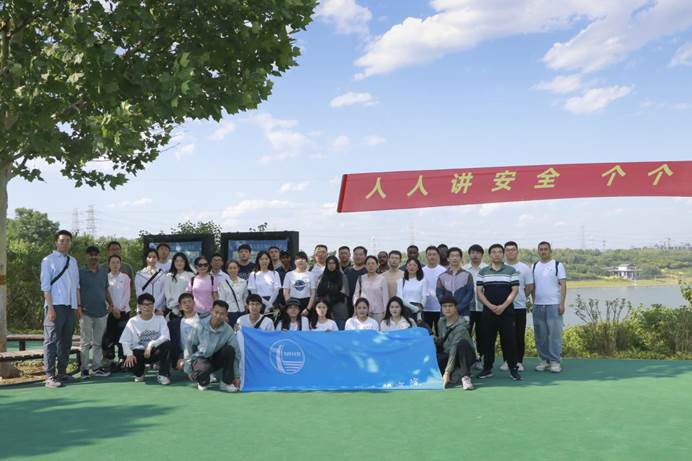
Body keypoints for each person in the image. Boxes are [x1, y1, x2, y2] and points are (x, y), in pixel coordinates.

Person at [40, 230, 80, 388]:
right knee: (51, 340)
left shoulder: (73, 261)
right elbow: (45, 286)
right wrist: (50, 308)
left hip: (70, 306)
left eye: (68, 240)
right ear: (56, 242)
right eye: (62, 240)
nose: (65, 243)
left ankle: (62, 372)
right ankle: (49, 375)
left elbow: (76, 285)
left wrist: (78, 306)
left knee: (66, 340)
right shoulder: (48, 260)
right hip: (55, 305)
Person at [476, 244, 521, 381]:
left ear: (503, 254)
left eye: (499, 252)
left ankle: (513, 369)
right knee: (488, 341)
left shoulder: (511, 270)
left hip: (506, 312)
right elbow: (479, 292)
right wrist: (490, 306)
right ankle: (487, 369)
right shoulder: (483, 272)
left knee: (509, 341)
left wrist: (503, 306)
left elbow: (515, 290)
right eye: (494, 252)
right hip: (488, 312)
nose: (496, 254)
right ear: (490, 255)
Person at [185, 300, 241, 392]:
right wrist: (188, 369)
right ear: (211, 311)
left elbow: (236, 353)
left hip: (216, 359)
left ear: (226, 314)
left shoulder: (228, 330)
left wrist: (237, 376)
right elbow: (189, 346)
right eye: (216, 312)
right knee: (203, 373)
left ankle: (226, 383)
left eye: (222, 314)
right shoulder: (199, 325)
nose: (218, 316)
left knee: (229, 350)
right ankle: (203, 381)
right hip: (200, 359)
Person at [119, 293, 171, 385]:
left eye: (150, 304)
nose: (147, 307)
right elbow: (125, 340)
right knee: (132, 359)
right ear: (139, 306)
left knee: (167, 345)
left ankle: (163, 375)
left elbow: (166, 337)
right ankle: (139, 373)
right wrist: (129, 354)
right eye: (144, 305)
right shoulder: (133, 321)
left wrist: (151, 344)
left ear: (153, 306)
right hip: (139, 353)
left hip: (154, 351)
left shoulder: (160, 319)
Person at [531, 241, 567, 373]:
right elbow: (532, 286)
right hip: (538, 305)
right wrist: (534, 302)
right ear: (538, 251)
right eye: (541, 249)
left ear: (550, 251)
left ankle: (555, 361)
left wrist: (561, 303)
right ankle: (544, 360)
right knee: (540, 334)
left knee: (554, 334)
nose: (543, 251)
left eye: (545, 249)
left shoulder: (557, 265)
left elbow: (563, 285)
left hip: (554, 304)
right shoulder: (534, 266)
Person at [78, 246, 112, 379]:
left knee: (98, 343)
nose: (93, 257)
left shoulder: (103, 271)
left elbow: (105, 289)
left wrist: (111, 304)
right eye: (91, 255)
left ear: (99, 257)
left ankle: (96, 368)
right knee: (85, 343)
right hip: (85, 312)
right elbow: (77, 290)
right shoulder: (80, 272)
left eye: (96, 255)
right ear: (86, 256)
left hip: (101, 312)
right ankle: (84, 369)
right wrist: (79, 307)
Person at [502, 241, 534, 371]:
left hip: (519, 307)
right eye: (508, 250)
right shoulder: (501, 267)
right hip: (503, 308)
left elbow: (529, 286)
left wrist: (520, 297)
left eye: (513, 249)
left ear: (517, 251)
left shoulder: (524, 268)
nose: (510, 252)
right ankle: (507, 360)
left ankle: (519, 361)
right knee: (505, 335)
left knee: (519, 335)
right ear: (504, 252)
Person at [437, 296, 476, 390]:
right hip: (448, 353)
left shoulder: (461, 326)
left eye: (450, 306)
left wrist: (447, 372)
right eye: (444, 306)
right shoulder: (441, 322)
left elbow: (454, 349)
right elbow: (442, 342)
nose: (447, 308)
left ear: (455, 308)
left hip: (464, 355)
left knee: (462, 344)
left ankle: (465, 377)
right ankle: (455, 372)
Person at [103, 254, 131, 370]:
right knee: (109, 336)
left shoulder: (125, 277)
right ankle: (110, 360)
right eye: (113, 262)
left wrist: (119, 309)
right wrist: (112, 308)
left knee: (123, 337)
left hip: (123, 312)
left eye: (117, 262)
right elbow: (104, 294)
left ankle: (123, 359)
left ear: (120, 264)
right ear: (109, 264)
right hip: (109, 312)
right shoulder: (105, 277)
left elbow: (127, 294)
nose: (115, 265)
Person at [463, 243, 488, 369]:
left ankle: (480, 359)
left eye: (478, 252)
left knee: (482, 335)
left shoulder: (487, 269)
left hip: (484, 307)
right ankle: (467, 359)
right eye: (473, 252)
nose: (475, 255)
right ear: (469, 254)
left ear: (482, 255)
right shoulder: (464, 270)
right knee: (466, 334)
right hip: (468, 308)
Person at [436, 247, 475, 320]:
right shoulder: (441, 276)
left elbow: (470, 294)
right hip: (445, 313)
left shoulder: (468, 275)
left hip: (463, 313)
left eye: (457, 256)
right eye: (452, 256)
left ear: (460, 258)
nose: (455, 258)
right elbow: (439, 294)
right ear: (448, 259)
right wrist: (448, 308)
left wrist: (457, 309)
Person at [168, 293, 199, 373]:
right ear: (180, 307)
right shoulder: (174, 324)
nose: (187, 304)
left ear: (194, 303)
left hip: (199, 354)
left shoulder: (203, 320)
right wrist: (180, 358)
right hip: (182, 355)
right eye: (184, 302)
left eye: (189, 301)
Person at [315, 255, 349, 330]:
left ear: (337, 264)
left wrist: (329, 302)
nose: (331, 265)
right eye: (329, 263)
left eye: (333, 263)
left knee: (339, 333)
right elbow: (318, 293)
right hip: (325, 310)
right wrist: (326, 304)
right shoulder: (323, 277)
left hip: (339, 309)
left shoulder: (342, 277)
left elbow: (344, 293)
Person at [352, 255, 389, 323]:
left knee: (377, 329)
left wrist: (385, 312)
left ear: (377, 265)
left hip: (378, 312)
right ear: (365, 266)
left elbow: (385, 297)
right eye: (368, 264)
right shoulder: (361, 278)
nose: (371, 266)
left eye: (373, 263)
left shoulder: (382, 279)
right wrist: (355, 308)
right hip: (363, 311)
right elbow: (356, 295)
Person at [422, 246, 447, 333]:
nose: (432, 257)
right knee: (426, 334)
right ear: (426, 256)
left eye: (434, 254)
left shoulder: (443, 270)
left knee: (441, 334)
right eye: (429, 255)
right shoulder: (421, 271)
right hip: (424, 308)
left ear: (438, 256)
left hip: (440, 309)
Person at [163, 252, 194, 318]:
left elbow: (192, 292)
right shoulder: (169, 276)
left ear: (185, 262)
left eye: (181, 261)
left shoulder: (190, 275)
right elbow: (167, 292)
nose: (179, 263)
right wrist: (174, 304)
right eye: (177, 261)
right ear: (173, 263)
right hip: (172, 308)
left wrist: (184, 304)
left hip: (187, 308)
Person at [217, 260, 248, 326]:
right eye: (230, 268)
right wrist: (224, 315)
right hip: (230, 312)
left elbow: (245, 297)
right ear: (227, 270)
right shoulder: (223, 284)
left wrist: (246, 309)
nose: (233, 270)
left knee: (241, 329)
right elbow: (222, 300)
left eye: (234, 268)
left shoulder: (243, 282)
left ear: (238, 268)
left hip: (242, 311)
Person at [135, 249, 166, 314]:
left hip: (158, 309)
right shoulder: (139, 274)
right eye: (149, 257)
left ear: (157, 258)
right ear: (146, 259)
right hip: (143, 308)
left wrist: (154, 306)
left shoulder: (162, 274)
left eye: (154, 257)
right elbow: (139, 292)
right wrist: (146, 305)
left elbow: (163, 293)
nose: (152, 259)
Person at [344, 246, 367, 318]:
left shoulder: (368, 270)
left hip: (364, 306)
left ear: (365, 256)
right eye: (356, 254)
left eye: (360, 254)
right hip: (348, 305)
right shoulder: (347, 271)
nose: (358, 257)